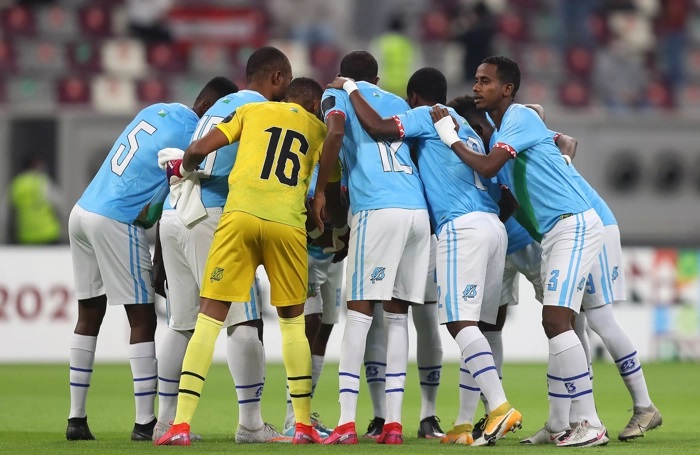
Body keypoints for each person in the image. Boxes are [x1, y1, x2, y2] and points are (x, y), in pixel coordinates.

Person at [327, 67, 522, 446]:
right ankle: (465, 424)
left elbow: (381, 128)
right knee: (471, 330)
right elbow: (505, 194)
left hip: (459, 227)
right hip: (493, 228)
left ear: (413, 98)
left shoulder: (428, 115)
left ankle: (499, 406)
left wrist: (350, 87)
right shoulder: (468, 128)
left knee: (458, 325)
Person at [431, 56, 608, 447]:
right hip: (556, 230)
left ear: (507, 89)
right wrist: (560, 153)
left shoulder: (520, 117)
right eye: (476, 80)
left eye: (486, 81)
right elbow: (557, 146)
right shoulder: (503, 132)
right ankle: (564, 422)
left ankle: (590, 422)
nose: (477, 87)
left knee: (558, 321)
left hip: (574, 222)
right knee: (556, 322)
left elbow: (492, 167)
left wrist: (450, 136)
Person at [156, 76, 334, 446]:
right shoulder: (317, 129)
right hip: (286, 224)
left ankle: (180, 426)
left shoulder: (250, 111)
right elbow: (333, 171)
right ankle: (301, 426)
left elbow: (199, 149)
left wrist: (185, 167)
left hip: (239, 218)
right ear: (314, 106)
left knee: (208, 318)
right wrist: (317, 197)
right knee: (292, 324)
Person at [65, 76, 235, 441]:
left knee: (88, 313)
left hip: (81, 211)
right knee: (142, 318)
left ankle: (75, 419)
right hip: (116, 217)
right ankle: (146, 423)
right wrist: (159, 261)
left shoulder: (158, 111)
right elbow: (165, 201)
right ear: (209, 106)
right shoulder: (196, 135)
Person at [312, 51, 431, 445]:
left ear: (342, 74)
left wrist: (318, 193)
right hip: (417, 211)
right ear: (377, 79)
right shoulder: (397, 103)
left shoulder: (337, 95)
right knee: (398, 317)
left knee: (359, 314)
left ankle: (346, 421)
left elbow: (335, 132)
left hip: (378, 210)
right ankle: (394, 424)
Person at [362, 236, 445, 441]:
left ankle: (428, 416)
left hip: (425, 236)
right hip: (382, 232)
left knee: (427, 319)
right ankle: (380, 416)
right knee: (377, 321)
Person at [9, 156, 63, 245]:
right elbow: (59, 202)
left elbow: (7, 210)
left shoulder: (16, 184)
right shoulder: (43, 182)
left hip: (25, 234)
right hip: (48, 232)